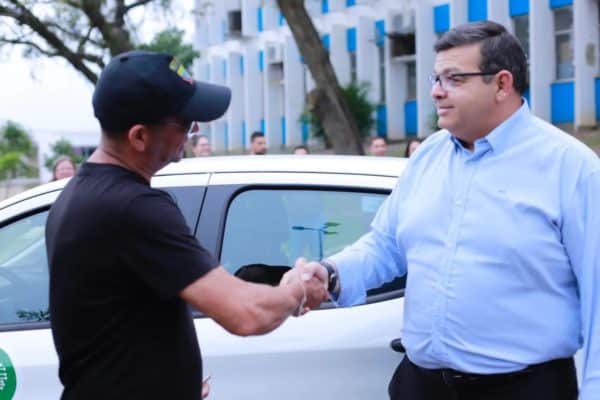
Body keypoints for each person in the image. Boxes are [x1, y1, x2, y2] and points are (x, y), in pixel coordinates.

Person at [288, 21, 600, 400]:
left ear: (502, 84)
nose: (436, 91)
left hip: (523, 388)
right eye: (435, 79)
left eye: (454, 79)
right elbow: (386, 246)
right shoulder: (428, 157)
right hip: (421, 385)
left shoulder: (572, 168)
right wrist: (331, 274)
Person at [45, 51, 327, 400]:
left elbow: (118, 323)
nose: (193, 132)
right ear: (139, 136)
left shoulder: (75, 196)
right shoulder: (134, 208)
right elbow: (246, 313)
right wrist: (295, 291)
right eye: (184, 122)